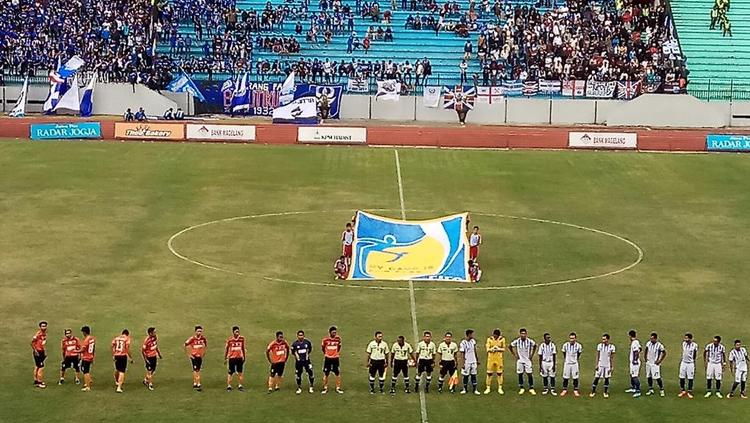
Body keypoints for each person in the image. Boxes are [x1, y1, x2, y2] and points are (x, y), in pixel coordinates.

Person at [510, 328, 536, 395]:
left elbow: (535, 345)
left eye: (524, 334)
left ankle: (531, 388)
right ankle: (521, 387)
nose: (523, 335)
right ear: (520, 334)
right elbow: (510, 346)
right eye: (522, 334)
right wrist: (515, 355)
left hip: (527, 360)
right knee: (520, 373)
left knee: (529, 373)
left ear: (526, 334)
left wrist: (531, 355)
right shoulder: (517, 341)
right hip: (520, 360)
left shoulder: (529, 341)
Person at [590, 333, 615, 398]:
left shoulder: (612, 347)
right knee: (597, 378)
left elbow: (612, 357)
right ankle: (593, 391)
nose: (603, 340)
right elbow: (597, 355)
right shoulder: (599, 346)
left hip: (607, 365)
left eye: (604, 339)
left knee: (607, 378)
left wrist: (612, 366)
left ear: (608, 339)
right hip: (600, 364)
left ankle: (605, 392)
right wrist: (596, 364)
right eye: (602, 339)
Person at [321, 326, 343, 394]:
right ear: (330, 332)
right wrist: (327, 354)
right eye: (333, 332)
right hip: (328, 358)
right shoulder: (325, 340)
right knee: (326, 373)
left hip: (335, 358)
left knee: (337, 373)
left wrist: (335, 353)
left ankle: (338, 388)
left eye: (335, 332)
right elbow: (323, 348)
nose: (334, 334)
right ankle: (325, 388)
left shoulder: (338, 339)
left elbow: (339, 347)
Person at [184, 325, 207, 391]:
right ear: (195, 332)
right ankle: (198, 383)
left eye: (200, 331)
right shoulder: (192, 339)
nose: (199, 332)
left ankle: (195, 383)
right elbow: (185, 345)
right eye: (198, 331)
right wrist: (189, 354)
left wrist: (204, 353)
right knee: (196, 370)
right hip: (194, 357)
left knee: (197, 370)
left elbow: (205, 345)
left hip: (200, 357)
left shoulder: (203, 338)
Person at [292, 330, 315, 394]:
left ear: (304, 336)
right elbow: (294, 352)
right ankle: (299, 387)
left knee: (310, 373)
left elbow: (309, 350)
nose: (301, 336)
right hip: (299, 362)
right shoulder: (295, 344)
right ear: (297, 336)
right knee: (298, 374)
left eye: (302, 335)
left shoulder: (307, 342)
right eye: (299, 335)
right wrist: (298, 358)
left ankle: (311, 386)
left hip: (307, 361)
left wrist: (306, 357)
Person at [458, 329, 480, 395]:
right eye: (472, 334)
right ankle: (464, 389)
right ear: (469, 334)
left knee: (474, 375)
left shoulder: (473, 341)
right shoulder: (463, 343)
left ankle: (475, 389)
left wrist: (477, 360)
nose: (473, 335)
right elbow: (462, 353)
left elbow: (475, 351)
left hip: (473, 361)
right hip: (467, 362)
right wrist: (462, 363)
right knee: (466, 376)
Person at [560, 332, 582, 397]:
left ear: (575, 338)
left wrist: (574, 359)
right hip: (567, 363)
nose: (571, 340)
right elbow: (564, 353)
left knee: (575, 377)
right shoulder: (565, 345)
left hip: (574, 364)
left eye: (573, 338)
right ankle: (564, 390)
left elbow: (579, 354)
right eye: (570, 338)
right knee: (565, 377)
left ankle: (575, 390)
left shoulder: (579, 346)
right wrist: (567, 359)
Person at [225, 326, 247, 391]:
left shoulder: (242, 339)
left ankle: (240, 385)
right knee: (230, 372)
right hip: (232, 358)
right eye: (236, 331)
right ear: (233, 332)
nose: (237, 333)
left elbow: (243, 348)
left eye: (238, 331)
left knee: (240, 372)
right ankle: (229, 385)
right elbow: (226, 349)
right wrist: (226, 357)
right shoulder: (230, 340)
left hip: (239, 358)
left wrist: (244, 356)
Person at [644, 332, 666, 397]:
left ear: (656, 339)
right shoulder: (648, 343)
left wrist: (659, 361)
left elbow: (664, 353)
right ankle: (650, 389)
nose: (651, 340)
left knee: (657, 377)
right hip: (648, 363)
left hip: (655, 364)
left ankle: (661, 390)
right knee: (649, 376)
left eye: (652, 339)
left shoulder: (659, 345)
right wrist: (645, 358)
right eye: (651, 338)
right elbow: (646, 350)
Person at [484, 329, 505, 395]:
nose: (495, 337)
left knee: (499, 373)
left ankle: (500, 387)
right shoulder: (489, 339)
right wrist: (492, 349)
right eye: (494, 335)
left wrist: (498, 349)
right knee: (489, 373)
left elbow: (504, 349)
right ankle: (488, 387)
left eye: (497, 336)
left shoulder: (502, 339)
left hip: (499, 359)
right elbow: (487, 349)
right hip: (491, 359)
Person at [678, 332, 698, 398]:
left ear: (690, 339)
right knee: (682, 377)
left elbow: (695, 354)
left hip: (690, 363)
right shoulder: (683, 344)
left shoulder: (694, 345)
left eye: (687, 338)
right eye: (685, 338)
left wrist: (693, 361)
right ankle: (683, 390)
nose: (685, 340)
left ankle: (689, 391)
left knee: (690, 378)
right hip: (683, 362)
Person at [32, 321, 48, 389]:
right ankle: (39, 382)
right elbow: (32, 342)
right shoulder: (38, 334)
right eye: (42, 326)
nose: (44, 327)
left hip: (41, 351)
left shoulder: (44, 334)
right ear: (40, 327)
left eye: (45, 326)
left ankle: (35, 380)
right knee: (41, 367)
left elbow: (42, 343)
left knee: (37, 366)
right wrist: (35, 351)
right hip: (38, 352)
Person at [626, 330, 642, 398]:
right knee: (632, 375)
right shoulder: (636, 342)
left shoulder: (634, 343)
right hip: (634, 362)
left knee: (635, 376)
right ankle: (633, 388)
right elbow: (640, 349)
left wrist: (635, 360)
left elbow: (636, 351)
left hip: (635, 363)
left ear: (630, 335)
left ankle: (638, 391)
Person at [80, 326, 95, 392]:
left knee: (86, 371)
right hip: (90, 356)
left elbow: (83, 350)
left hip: (86, 357)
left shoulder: (86, 340)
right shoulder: (92, 338)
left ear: (85, 332)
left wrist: (75, 351)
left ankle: (88, 386)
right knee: (82, 368)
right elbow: (93, 348)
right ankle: (89, 380)